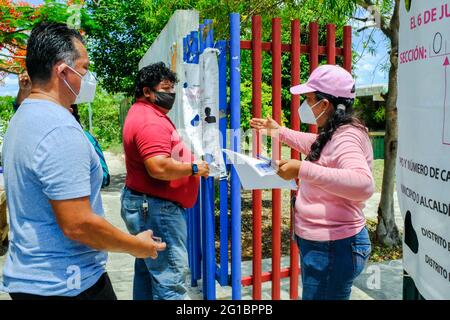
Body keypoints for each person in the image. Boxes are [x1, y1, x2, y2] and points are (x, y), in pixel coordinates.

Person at [0, 23, 166, 300]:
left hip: (31, 280)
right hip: (69, 283)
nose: (87, 78)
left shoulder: (22, 118)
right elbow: (78, 224)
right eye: (84, 69)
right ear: (63, 72)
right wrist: (136, 246)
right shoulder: (59, 129)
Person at [250, 64, 375, 300]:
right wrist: (279, 131)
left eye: (308, 99)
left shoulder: (347, 136)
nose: (304, 105)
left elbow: (363, 184)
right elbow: (315, 143)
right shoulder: (335, 132)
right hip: (324, 245)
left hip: (333, 247)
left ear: (324, 103)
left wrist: (303, 169)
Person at [121, 62, 209, 300]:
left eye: (172, 89)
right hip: (157, 210)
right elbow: (158, 167)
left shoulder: (144, 112)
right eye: (165, 88)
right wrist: (193, 168)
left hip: (149, 205)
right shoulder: (150, 120)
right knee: (170, 282)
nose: (170, 94)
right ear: (147, 91)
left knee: (149, 274)